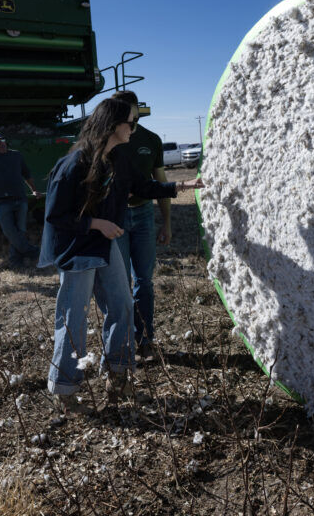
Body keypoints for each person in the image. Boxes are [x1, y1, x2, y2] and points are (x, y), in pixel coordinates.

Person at [39, 97, 204, 412]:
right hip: (77, 249)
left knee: (123, 306)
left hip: (103, 245)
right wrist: (96, 223)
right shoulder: (73, 164)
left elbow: (144, 187)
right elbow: (55, 216)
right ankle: (64, 389)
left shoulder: (119, 159)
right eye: (131, 123)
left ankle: (117, 376)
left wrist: (185, 185)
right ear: (112, 125)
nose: (134, 129)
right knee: (74, 317)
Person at [110, 90, 170, 357]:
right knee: (120, 282)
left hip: (144, 215)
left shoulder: (151, 140)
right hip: (116, 218)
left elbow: (160, 181)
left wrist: (166, 222)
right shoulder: (109, 140)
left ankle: (146, 339)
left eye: (132, 114)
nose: (129, 120)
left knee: (144, 281)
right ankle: (122, 345)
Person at [0, 132, 42, 268]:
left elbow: (27, 174)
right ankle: (34, 252)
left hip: (20, 198)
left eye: (3, 140)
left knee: (20, 231)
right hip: (3, 201)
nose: (2, 143)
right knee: (9, 231)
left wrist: (34, 190)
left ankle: (16, 262)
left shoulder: (16, 155)